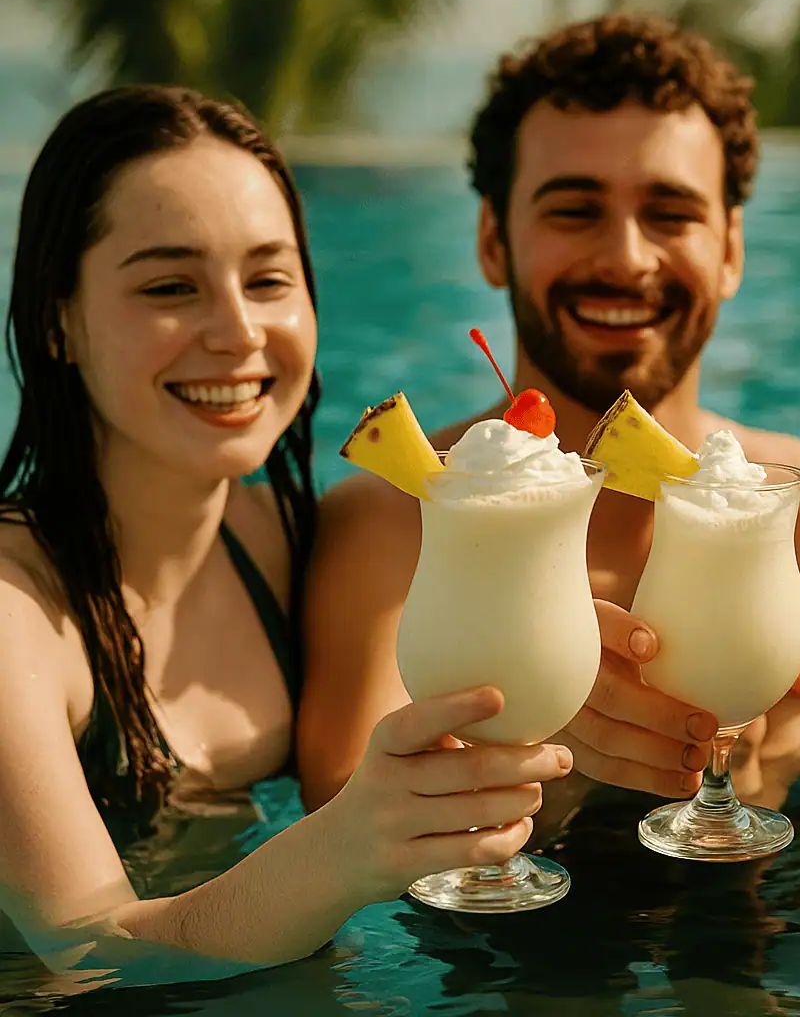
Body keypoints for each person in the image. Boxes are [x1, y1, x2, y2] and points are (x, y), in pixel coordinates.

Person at [0, 86, 570, 975]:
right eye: (168, 286)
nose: (238, 333)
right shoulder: (15, 618)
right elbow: (86, 950)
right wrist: (344, 850)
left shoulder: (282, 541)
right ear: (56, 320)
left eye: (269, 279)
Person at [299, 14, 800, 812]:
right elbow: (343, 821)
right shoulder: (391, 522)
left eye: (671, 212)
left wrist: (760, 774)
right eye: (575, 210)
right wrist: (561, 765)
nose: (625, 257)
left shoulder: (797, 501)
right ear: (491, 239)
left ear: (730, 251)